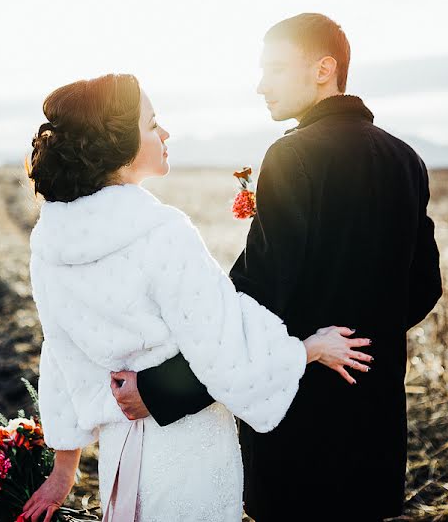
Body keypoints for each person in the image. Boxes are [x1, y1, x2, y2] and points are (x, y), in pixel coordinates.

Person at [110, 13, 443, 521]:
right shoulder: (406, 158)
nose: (261, 85)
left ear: (323, 69)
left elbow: (254, 300)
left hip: (299, 426)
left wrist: (161, 390)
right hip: (375, 421)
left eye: (276, 69)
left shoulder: (293, 155)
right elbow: (424, 286)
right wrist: (365, 333)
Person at [20, 73, 375, 522]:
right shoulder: (162, 232)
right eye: (152, 124)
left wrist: (63, 470)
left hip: (121, 447)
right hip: (191, 448)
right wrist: (309, 349)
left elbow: (60, 357)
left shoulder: (49, 242)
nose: (165, 133)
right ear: (116, 143)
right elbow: (225, 348)